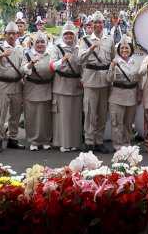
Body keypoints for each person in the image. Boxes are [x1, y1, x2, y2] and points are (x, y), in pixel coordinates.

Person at [77, 11, 114, 153]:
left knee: (102, 113)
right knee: (90, 111)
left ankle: (99, 141)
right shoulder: (85, 40)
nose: (98, 25)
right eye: (95, 22)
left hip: (105, 80)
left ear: (104, 24)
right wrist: (90, 49)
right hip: (91, 79)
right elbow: (80, 60)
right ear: (91, 24)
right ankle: (89, 141)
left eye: (100, 22)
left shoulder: (109, 40)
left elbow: (112, 59)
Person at [0, 22, 26, 153]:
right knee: (1, 113)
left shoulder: (20, 49)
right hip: (3, 85)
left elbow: (24, 67)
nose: (11, 36)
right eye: (9, 33)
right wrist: (2, 55)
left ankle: (12, 138)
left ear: (18, 35)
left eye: (14, 33)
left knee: (15, 113)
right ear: (4, 35)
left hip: (17, 84)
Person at [49, 21, 84, 152]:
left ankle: (75, 142)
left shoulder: (78, 49)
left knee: (75, 116)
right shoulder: (56, 48)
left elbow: (84, 66)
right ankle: (63, 142)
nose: (69, 36)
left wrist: (84, 78)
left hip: (76, 85)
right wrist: (62, 60)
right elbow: (51, 66)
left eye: (71, 34)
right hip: (61, 84)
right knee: (62, 116)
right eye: (66, 34)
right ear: (63, 35)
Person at [22, 31, 55, 150]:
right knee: (32, 115)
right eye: (38, 42)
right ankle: (33, 141)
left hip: (47, 88)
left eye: (42, 42)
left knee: (46, 116)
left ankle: (45, 140)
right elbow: (23, 70)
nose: (40, 44)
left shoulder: (51, 55)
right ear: (33, 43)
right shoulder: (28, 55)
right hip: (32, 88)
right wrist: (31, 63)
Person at [108, 37, 141, 150]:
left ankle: (126, 145)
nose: (124, 50)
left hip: (131, 95)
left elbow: (139, 81)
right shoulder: (115, 62)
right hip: (117, 96)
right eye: (122, 48)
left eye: (126, 48)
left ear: (131, 49)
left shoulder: (135, 63)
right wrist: (112, 66)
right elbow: (109, 78)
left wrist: (139, 96)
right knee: (116, 123)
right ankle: (117, 146)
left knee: (128, 123)